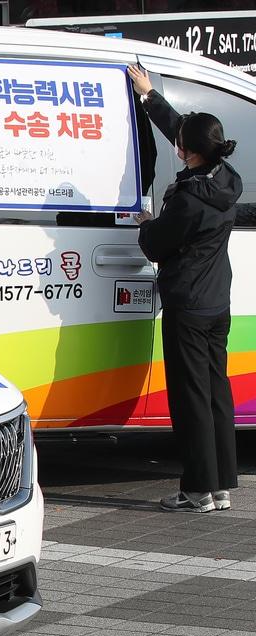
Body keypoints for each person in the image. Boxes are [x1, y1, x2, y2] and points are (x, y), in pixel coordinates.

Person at [128, 64, 242, 514]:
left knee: (191, 399)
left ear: (186, 153)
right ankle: (220, 487)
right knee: (216, 392)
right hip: (217, 304)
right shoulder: (226, 179)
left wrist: (146, 223)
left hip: (188, 308)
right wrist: (150, 95)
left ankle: (197, 490)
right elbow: (186, 133)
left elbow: (156, 246)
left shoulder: (189, 199)